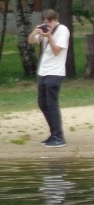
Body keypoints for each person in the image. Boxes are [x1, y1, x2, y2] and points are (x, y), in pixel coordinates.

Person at [28, 8, 70, 148]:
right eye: (45, 22)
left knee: (52, 104)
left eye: (50, 21)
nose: (48, 24)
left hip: (55, 72)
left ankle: (59, 137)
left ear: (55, 19)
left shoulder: (62, 30)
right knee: (42, 103)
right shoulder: (45, 31)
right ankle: (53, 133)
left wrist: (50, 36)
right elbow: (30, 41)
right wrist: (36, 32)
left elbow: (57, 51)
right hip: (43, 71)